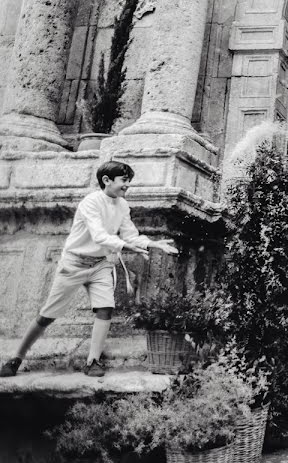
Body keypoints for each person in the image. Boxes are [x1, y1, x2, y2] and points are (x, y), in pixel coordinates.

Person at [0, 161, 179, 378]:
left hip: (100, 264)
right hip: (73, 264)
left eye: (128, 181)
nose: (127, 185)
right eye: (124, 180)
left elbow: (130, 235)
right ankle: (16, 357)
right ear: (106, 180)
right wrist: (125, 245)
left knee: (105, 309)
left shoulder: (122, 205)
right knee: (47, 316)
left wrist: (152, 243)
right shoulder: (90, 202)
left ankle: (92, 361)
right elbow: (99, 235)